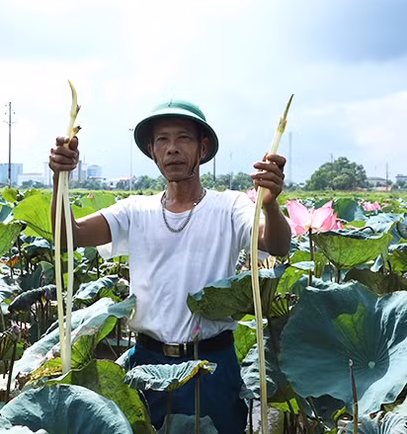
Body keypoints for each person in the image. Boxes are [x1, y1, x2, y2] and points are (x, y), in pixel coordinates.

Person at [48, 99, 291, 433]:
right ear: (151, 150)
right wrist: (59, 179)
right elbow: (67, 234)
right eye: (162, 140)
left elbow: (276, 244)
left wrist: (272, 205)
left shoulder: (229, 206)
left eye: (184, 139)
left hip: (212, 365)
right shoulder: (134, 210)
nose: (172, 149)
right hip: (147, 362)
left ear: (203, 147)